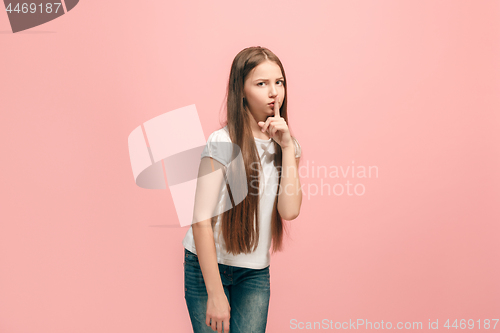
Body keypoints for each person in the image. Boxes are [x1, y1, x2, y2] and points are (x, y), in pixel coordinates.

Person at [182, 46, 302, 333]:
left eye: (279, 82)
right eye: (261, 83)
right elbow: (200, 221)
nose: (274, 92)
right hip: (206, 266)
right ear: (242, 91)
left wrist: (287, 147)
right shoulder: (222, 142)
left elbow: (289, 211)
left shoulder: (288, 145)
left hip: (254, 272)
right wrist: (215, 293)